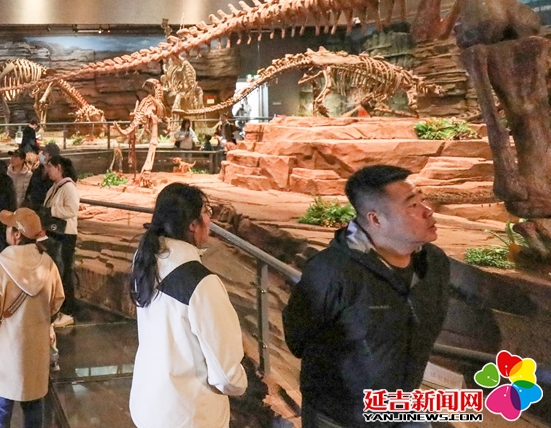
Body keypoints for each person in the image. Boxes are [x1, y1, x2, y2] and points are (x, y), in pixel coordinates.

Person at [282, 165, 449, 428]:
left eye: (423, 200)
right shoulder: (331, 271)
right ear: (376, 219)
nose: (427, 211)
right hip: (340, 419)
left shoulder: (434, 263)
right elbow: (298, 338)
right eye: (412, 205)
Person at [129, 183, 247, 428]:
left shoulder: (146, 259)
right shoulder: (201, 283)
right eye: (206, 212)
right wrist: (240, 383)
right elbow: (226, 376)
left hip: (149, 404)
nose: (209, 220)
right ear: (192, 224)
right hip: (187, 415)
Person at [0, 208, 64, 428]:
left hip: (8, 349)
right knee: (34, 407)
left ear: (17, 234)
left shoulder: (1, 265)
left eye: (9, 227)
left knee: (0, 410)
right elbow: (57, 302)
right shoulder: (48, 264)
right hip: (36, 349)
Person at [43, 155, 80, 328]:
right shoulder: (55, 187)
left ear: (59, 168)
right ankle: (58, 308)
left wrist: (51, 211)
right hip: (55, 233)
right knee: (57, 271)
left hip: (65, 235)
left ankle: (68, 311)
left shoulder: (68, 187)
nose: (47, 170)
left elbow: (72, 209)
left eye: (50, 166)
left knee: (64, 272)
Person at [23, 143, 59, 213]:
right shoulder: (38, 170)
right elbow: (30, 188)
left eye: (44, 153)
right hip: (33, 207)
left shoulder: (57, 173)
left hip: (47, 210)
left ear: (51, 156)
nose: (41, 155)